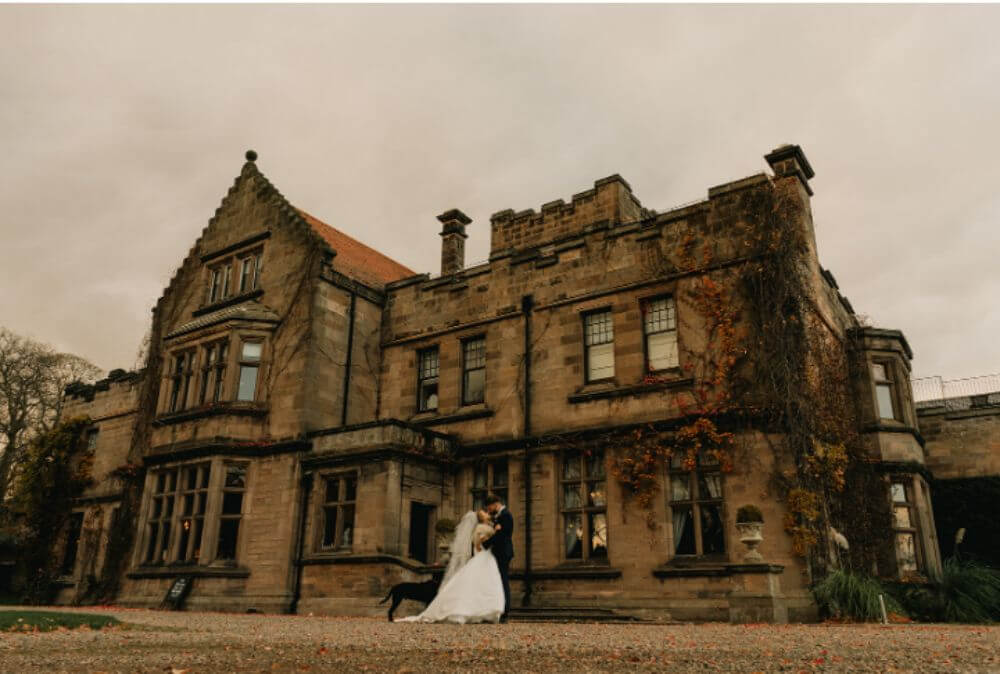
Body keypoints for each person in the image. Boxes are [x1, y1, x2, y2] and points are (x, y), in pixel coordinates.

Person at [394, 510, 505, 623]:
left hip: (486, 559)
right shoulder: (481, 528)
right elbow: (479, 545)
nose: (488, 515)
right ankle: (476, 612)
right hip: (484, 557)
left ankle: (484, 613)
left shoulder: (484, 527)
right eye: (486, 513)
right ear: (482, 518)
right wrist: (495, 535)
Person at [481, 493, 514, 622]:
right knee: (498, 581)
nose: (488, 511)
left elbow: (502, 536)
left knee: (503, 581)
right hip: (499, 552)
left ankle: (505, 612)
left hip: (503, 553)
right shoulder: (499, 516)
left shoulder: (506, 515)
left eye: (489, 508)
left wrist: (486, 543)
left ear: (495, 504)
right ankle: (498, 610)